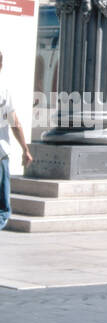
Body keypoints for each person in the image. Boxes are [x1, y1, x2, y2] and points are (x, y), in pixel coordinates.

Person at [0, 50, 35, 232]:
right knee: (2, 205)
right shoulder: (4, 91)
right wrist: (25, 149)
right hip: (0, 153)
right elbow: (15, 124)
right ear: (1, 65)